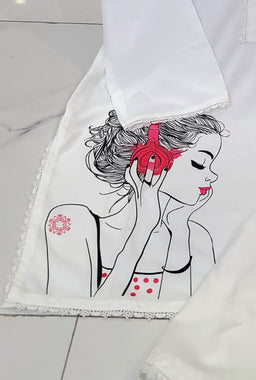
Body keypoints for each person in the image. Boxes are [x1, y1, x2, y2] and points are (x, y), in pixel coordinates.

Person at [44, 110, 226, 301]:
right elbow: (79, 309)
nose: (212, 176)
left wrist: (179, 231)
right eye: (199, 163)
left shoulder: (196, 237)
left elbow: (184, 309)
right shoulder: (70, 222)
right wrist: (142, 230)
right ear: (151, 161)